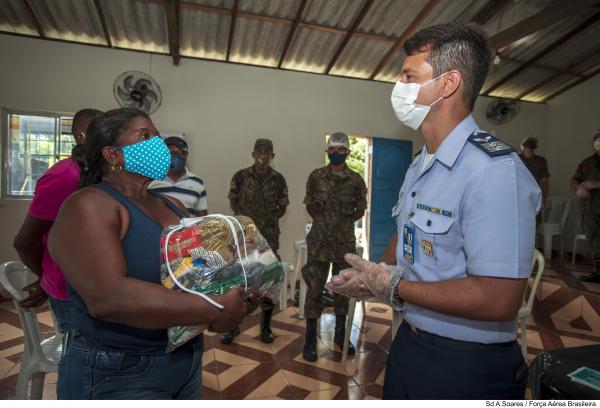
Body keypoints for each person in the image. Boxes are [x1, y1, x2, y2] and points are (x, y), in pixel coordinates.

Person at [327, 23, 540, 399]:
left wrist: (394, 286)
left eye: (409, 76)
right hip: (410, 344)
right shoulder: (421, 163)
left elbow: (499, 298)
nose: (399, 85)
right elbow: (407, 235)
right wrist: (375, 277)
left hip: (466, 365)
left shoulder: (495, 172)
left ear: (448, 83)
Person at [48, 108, 259, 399]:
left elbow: (196, 280)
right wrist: (215, 307)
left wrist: (233, 298)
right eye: (145, 136)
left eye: (157, 136)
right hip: (119, 370)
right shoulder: (88, 205)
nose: (158, 144)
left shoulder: (174, 206)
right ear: (113, 155)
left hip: (185, 359)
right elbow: (108, 297)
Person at [13, 108, 103, 333]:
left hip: (94, 286)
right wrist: (46, 280)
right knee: (79, 358)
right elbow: (24, 241)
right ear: (81, 136)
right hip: (69, 291)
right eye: (101, 131)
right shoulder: (64, 176)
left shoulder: (100, 174)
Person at [301, 132, 367, 362]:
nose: (337, 153)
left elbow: (360, 210)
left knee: (343, 290)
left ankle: (340, 335)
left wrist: (340, 222)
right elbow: (310, 206)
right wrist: (324, 223)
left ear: (348, 152)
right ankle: (310, 340)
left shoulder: (356, 180)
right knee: (314, 290)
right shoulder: (316, 176)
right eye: (333, 149)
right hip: (319, 244)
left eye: (342, 149)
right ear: (327, 151)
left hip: (343, 245)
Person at [221, 138, 289, 344]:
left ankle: (266, 327)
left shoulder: (278, 180)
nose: (263, 155)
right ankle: (233, 327)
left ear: (273, 155)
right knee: (239, 280)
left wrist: (268, 221)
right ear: (252, 154)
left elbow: (283, 206)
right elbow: (233, 202)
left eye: (267, 152)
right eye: (260, 151)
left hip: (268, 238)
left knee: (268, 279)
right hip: (244, 239)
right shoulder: (240, 177)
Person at [149, 136, 208, 216]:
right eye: (171, 152)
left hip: (189, 228)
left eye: (180, 152)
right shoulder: (150, 180)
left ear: (186, 155)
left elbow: (202, 217)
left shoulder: (197, 182)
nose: (176, 156)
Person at [571, 129, 600, 283]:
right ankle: (598, 270)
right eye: (596, 140)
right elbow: (575, 179)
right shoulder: (588, 162)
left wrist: (596, 184)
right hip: (590, 209)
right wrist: (579, 187)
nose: (598, 142)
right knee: (593, 239)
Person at [519, 136, 550, 211]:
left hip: (533, 197)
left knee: (534, 220)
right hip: (521, 196)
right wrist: (543, 199)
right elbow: (544, 181)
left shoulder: (540, 161)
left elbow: (544, 181)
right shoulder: (517, 159)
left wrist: (543, 199)